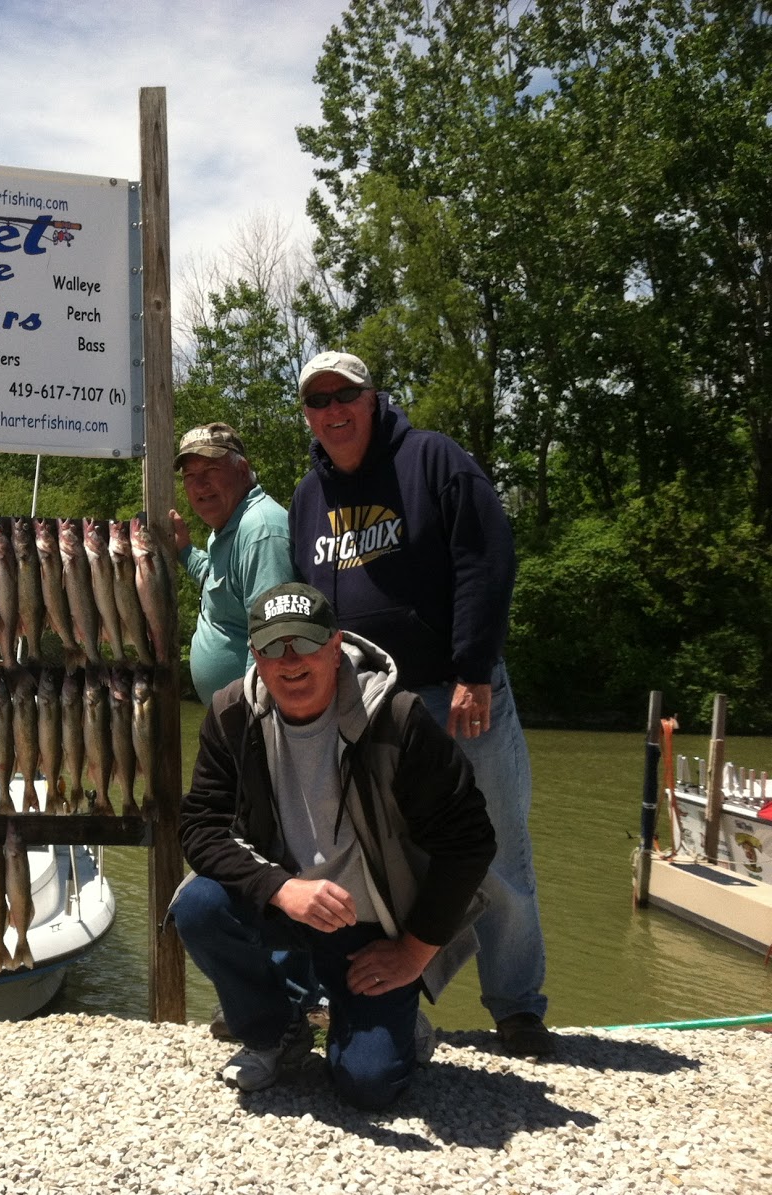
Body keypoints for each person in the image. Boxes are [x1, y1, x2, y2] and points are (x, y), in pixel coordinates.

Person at [288, 350, 555, 1058]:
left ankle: (516, 1006)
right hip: (364, 708)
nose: (333, 411)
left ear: (372, 399)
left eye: (345, 395)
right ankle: (389, 1004)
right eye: (318, 401)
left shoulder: (434, 460)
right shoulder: (306, 500)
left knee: (494, 848)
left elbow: (486, 557)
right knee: (376, 858)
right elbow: (308, 610)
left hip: (452, 694)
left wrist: (474, 668)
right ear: (308, 415)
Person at [171, 582, 495, 1107]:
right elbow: (199, 827)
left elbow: (471, 842)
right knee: (198, 905)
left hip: (370, 930)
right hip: (287, 905)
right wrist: (279, 888)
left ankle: (395, 1022)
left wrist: (412, 953)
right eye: (273, 647)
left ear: (335, 643)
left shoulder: (399, 719)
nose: (290, 660)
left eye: (304, 643)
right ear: (255, 655)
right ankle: (276, 1031)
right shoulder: (231, 714)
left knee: (369, 1084)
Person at [169, 423, 296, 704]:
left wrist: (250, 720)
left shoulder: (259, 532)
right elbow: (221, 583)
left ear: (241, 470)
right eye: (190, 476)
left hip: (252, 719)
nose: (200, 485)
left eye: (210, 471)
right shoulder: (230, 525)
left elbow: (272, 640)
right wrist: (185, 551)